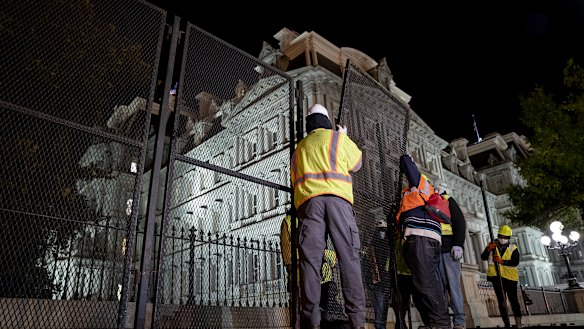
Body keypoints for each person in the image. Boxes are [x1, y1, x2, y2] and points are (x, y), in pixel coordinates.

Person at [290, 103, 365, 329]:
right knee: (348, 259)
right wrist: (343, 136)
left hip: (309, 206)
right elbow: (357, 164)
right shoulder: (336, 139)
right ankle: (357, 321)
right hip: (338, 202)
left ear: (308, 124)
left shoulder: (299, 149)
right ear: (326, 121)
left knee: (310, 263)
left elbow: (294, 180)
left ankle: (311, 322)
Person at [395, 154, 451, 329]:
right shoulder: (426, 193)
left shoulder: (421, 184)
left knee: (426, 282)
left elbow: (406, 164)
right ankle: (433, 322)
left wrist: (407, 157)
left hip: (421, 239)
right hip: (428, 240)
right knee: (426, 281)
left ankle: (440, 324)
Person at [279, 210, 346, 328]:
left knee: (315, 312)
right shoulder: (306, 219)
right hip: (311, 275)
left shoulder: (301, 219)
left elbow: (287, 251)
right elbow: (288, 256)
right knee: (318, 311)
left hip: (313, 275)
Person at [436, 184, 467, 329]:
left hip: (449, 250)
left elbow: (460, 222)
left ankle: (459, 321)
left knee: (453, 288)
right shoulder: (429, 202)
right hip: (435, 251)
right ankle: (444, 322)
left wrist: (458, 244)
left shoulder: (448, 201)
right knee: (438, 289)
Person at [480, 225, 522, 329]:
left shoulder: (513, 248)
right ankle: (506, 324)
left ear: (509, 238)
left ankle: (518, 324)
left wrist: (502, 261)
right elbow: (483, 257)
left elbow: (515, 262)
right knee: (501, 301)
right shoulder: (492, 245)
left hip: (510, 278)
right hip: (496, 277)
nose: (502, 238)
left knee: (514, 301)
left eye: (505, 237)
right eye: (501, 236)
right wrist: (488, 250)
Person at [365, 219, 392, 329]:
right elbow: (368, 262)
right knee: (379, 303)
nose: (382, 233)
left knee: (384, 303)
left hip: (388, 279)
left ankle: (381, 323)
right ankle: (380, 324)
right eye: (380, 230)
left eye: (384, 230)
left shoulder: (389, 243)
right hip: (378, 279)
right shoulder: (372, 246)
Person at [391, 238, 414, 329]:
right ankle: (400, 321)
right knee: (398, 299)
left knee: (405, 299)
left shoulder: (408, 237)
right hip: (398, 272)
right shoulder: (395, 238)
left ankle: (401, 321)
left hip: (409, 272)